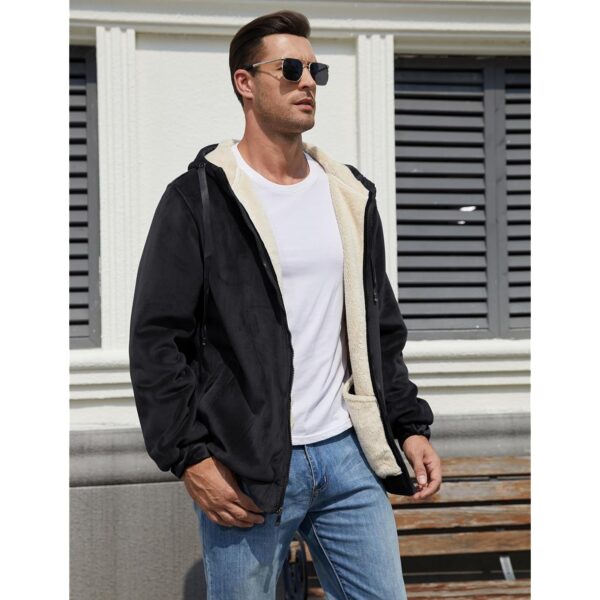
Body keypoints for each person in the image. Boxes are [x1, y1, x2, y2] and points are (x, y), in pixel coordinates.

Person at [129, 9, 442, 600]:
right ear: (244, 82)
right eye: (291, 69)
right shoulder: (199, 198)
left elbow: (378, 327)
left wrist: (409, 425)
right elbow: (156, 341)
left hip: (348, 454)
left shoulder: (348, 193)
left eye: (315, 70)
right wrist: (189, 457)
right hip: (248, 463)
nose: (308, 83)